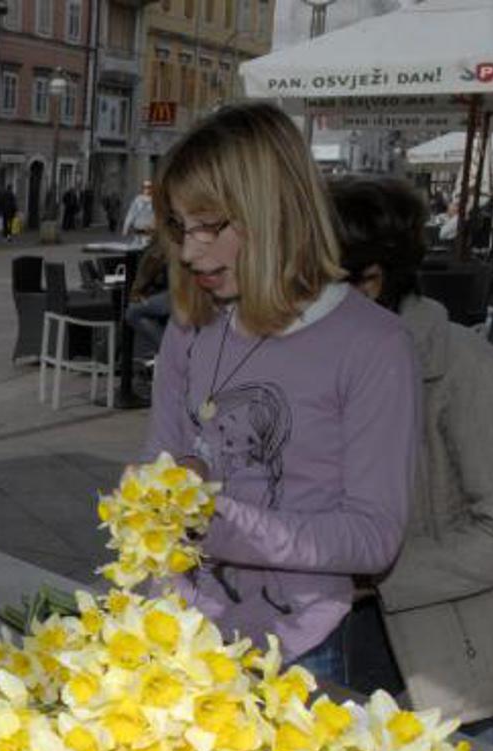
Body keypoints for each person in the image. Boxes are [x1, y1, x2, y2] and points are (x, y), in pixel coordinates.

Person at [142, 103, 419, 684]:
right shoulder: (190, 327)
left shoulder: (372, 344)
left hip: (298, 646)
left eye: (210, 226)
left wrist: (213, 521)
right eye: (179, 227)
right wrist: (160, 489)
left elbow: (373, 537)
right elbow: (161, 462)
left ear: (274, 214)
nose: (189, 251)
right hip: (179, 630)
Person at [330, 175, 493, 721]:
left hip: (457, 676)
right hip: (346, 646)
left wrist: (371, 576)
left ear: (372, 280)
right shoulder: (335, 361)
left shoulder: (472, 373)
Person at [123, 240, 171, 358]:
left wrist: (137, 292)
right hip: (180, 293)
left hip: (178, 295)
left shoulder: (160, 246)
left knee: (133, 311)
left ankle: (169, 349)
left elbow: (146, 273)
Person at [121, 178, 155, 244]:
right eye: (144, 187)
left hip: (149, 231)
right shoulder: (137, 200)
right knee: (136, 246)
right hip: (137, 230)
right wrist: (125, 227)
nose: (147, 189)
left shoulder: (155, 200)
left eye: (149, 187)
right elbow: (131, 214)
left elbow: (158, 215)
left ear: (152, 188)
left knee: (146, 246)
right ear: (142, 188)